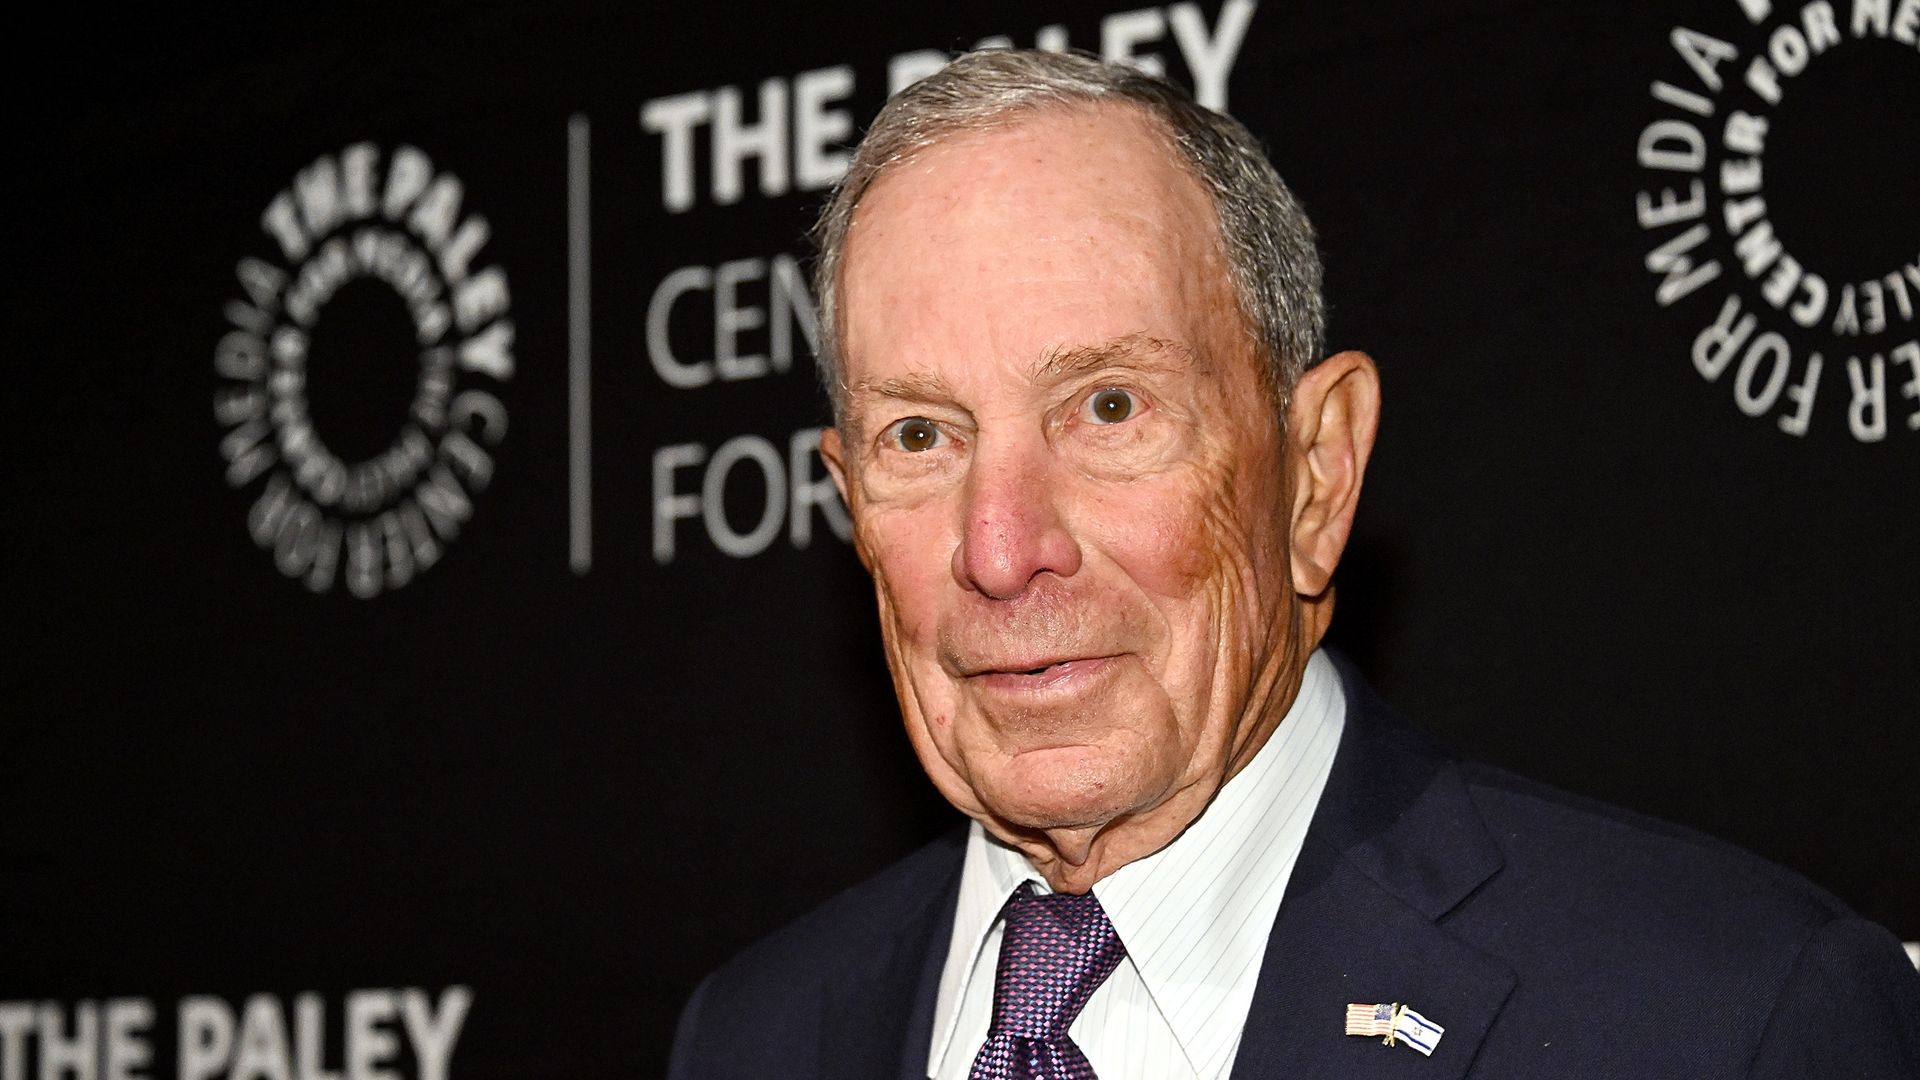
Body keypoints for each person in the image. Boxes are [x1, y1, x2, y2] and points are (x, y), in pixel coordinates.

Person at [667, 48, 1920, 1079]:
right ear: (849, 499)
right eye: (923, 436)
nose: (1001, 551)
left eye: (1110, 410)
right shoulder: (755, 1037)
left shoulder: (1727, 1020)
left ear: (1315, 472)